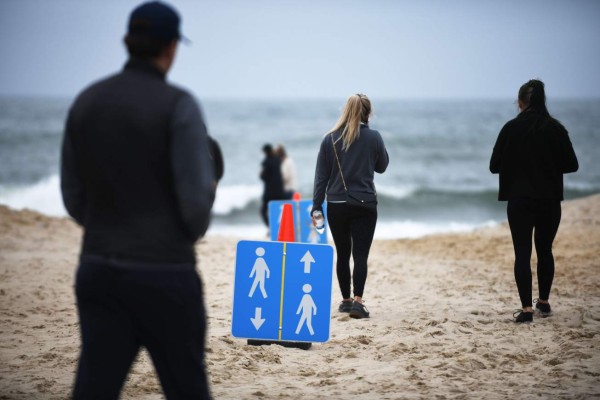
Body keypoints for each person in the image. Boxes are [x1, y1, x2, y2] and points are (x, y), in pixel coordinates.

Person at [60, 2, 216, 398]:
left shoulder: (86, 102)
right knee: (187, 387)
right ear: (171, 48)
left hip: (98, 269)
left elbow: (73, 197)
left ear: (128, 42)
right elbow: (196, 207)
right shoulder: (178, 105)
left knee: (94, 388)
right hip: (165, 273)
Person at [490, 79, 578, 324]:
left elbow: (494, 166)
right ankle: (545, 302)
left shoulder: (510, 129)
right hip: (549, 199)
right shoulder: (556, 129)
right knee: (545, 249)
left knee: (522, 253)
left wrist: (516, 164)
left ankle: (527, 309)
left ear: (520, 103)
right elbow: (572, 164)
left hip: (519, 199)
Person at [311, 94, 389, 319]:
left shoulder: (330, 139)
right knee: (361, 255)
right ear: (368, 113)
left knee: (343, 253)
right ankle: (358, 302)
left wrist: (317, 206)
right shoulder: (374, 137)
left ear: (345, 110)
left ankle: (345, 301)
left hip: (336, 204)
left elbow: (321, 177)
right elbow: (382, 167)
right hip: (365, 203)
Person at [259, 143, 286, 227]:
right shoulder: (278, 160)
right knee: (278, 212)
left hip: (269, 192)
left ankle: (271, 228)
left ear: (265, 152)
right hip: (279, 191)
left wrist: (261, 175)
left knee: (263, 211)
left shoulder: (266, 161)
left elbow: (263, 176)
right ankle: (279, 228)